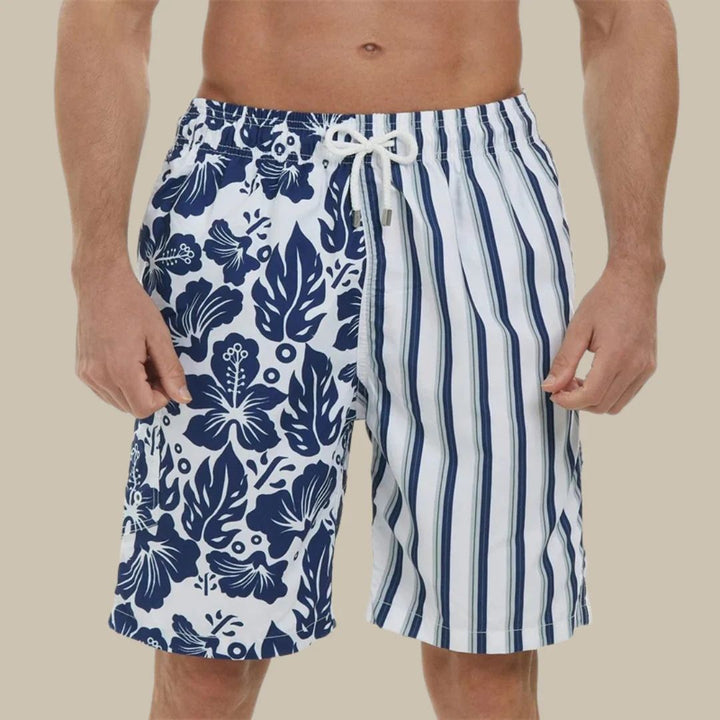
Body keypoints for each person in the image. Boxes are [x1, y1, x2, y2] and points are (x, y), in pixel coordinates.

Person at [55, 1, 678, 718]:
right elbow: (107, 16)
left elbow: (624, 19)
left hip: (475, 193)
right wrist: (97, 269)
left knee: (489, 653)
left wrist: (637, 265)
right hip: (247, 189)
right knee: (206, 653)